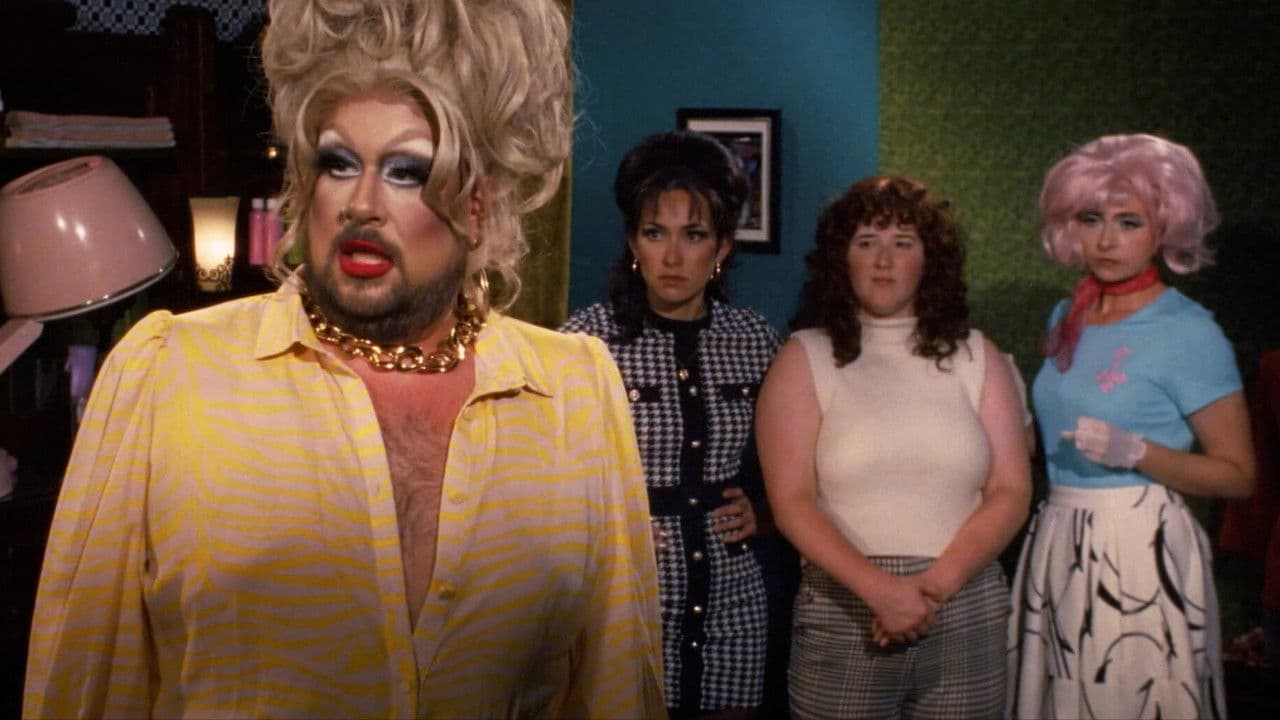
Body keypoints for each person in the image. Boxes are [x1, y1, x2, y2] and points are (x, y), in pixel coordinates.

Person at [22, 1, 665, 717]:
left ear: (478, 204)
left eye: (406, 171)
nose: (361, 204)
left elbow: (618, 693)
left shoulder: (573, 390)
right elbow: (82, 689)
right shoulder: (168, 373)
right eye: (338, 163)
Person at [756, 176, 1031, 719]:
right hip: (845, 613)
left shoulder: (978, 355)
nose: (883, 260)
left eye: (902, 243)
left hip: (965, 609)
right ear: (842, 258)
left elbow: (1011, 490)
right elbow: (792, 501)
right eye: (866, 242)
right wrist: (880, 592)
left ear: (929, 260)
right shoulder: (804, 357)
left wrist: (931, 590)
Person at [1007, 133, 1255, 719]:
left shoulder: (1189, 331)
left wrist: (1137, 451)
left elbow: (1239, 475)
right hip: (1058, 533)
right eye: (1091, 219)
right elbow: (1053, 439)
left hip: (1140, 545)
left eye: (1129, 222)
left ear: (1165, 227)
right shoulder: (1068, 314)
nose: (1107, 240)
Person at [561, 130, 785, 720]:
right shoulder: (585, 341)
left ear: (723, 246)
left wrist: (765, 514)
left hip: (733, 600)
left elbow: (805, 462)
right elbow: (543, 476)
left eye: (695, 235)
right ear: (633, 242)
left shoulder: (754, 339)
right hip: (627, 597)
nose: (673, 256)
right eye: (655, 233)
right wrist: (608, 527)